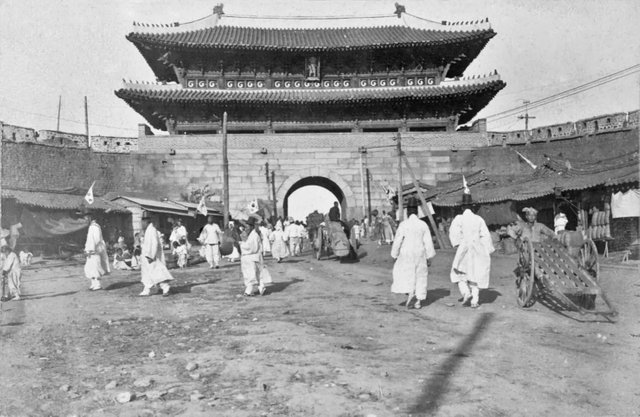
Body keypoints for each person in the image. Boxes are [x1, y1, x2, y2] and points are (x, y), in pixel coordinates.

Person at [449, 193, 494, 309]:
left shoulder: (459, 218)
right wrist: (486, 249)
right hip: (477, 248)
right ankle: (475, 300)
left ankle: (465, 292)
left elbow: (454, 233)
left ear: (462, 207)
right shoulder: (478, 219)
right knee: (475, 273)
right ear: (472, 207)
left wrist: (458, 244)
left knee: (458, 272)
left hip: (464, 248)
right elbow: (485, 235)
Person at [390, 198, 436, 309]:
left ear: (407, 212)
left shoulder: (403, 224)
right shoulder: (423, 224)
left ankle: (411, 294)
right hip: (420, 252)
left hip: (406, 253)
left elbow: (397, 241)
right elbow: (428, 242)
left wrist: (394, 254)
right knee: (420, 275)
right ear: (417, 211)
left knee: (407, 274)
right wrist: (429, 256)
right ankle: (418, 301)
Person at [139, 212, 173, 296]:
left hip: (151, 256)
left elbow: (154, 244)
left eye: (142, 222)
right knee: (147, 274)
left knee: (157, 273)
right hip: (147, 256)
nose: (141, 224)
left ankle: (165, 287)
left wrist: (151, 256)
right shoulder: (147, 231)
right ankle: (147, 290)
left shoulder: (152, 230)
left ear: (146, 222)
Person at [240, 215, 273, 296]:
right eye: (246, 227)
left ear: (252, 227)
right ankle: (261, 288)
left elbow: (252, 248)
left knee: (252, 275)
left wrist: (241, 244)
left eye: (248, 227)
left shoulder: (254, 236)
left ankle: (248, 291)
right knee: (256, 274)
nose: (246, 228)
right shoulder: (250, 235)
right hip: (250, 257)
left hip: (252, 257)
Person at [82, 208, 110, 291]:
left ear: (90, 217)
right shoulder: (91, 227)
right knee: (89, 267)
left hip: (94, 251)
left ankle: (97, 285)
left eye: (86, 218)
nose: (85, 219)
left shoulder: (95, 227)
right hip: (90, 251)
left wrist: (91, 250)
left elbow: (96, 239)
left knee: (95, 267)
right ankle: (93, 284)